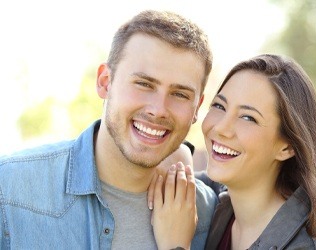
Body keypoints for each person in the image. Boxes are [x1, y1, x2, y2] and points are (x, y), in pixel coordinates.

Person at [0, 10, 218, 249]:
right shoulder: (10, 189)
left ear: (197, 107)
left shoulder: (207, 214)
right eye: (144, 84)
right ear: (105, 82)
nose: (158, 110)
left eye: (179, 94)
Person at [200, 54, 316, 249]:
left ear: (287, 147)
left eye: (248, 118)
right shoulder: (217, 206)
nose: (221, 128)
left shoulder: (303, 246)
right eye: (219, 106)